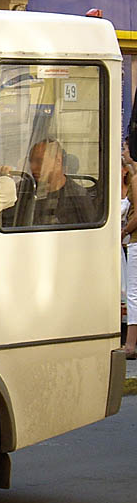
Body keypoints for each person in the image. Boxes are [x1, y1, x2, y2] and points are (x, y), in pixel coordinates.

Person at [23, 138, 96, 226]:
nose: (33, 167)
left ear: (58, 161)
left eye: (39, 161)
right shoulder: (25, 190)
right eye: (31, 161)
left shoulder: (77, 196)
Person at [121, 151, 137, 358]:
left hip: (135, 241)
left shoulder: (135, 178)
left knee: (133, 292)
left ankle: (130, 344)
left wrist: (124, 232)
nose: (123, 151)